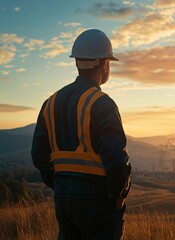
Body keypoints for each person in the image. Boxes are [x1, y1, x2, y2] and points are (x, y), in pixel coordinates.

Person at [32, 29, 131, 240]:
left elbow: (38, 155)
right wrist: (119, 195)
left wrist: (60, 183)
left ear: (77, 62)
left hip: (64, 200)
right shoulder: (102, 104)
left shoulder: (50, 103)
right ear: (105, 65)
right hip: (99, 202)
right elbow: (116, 158)